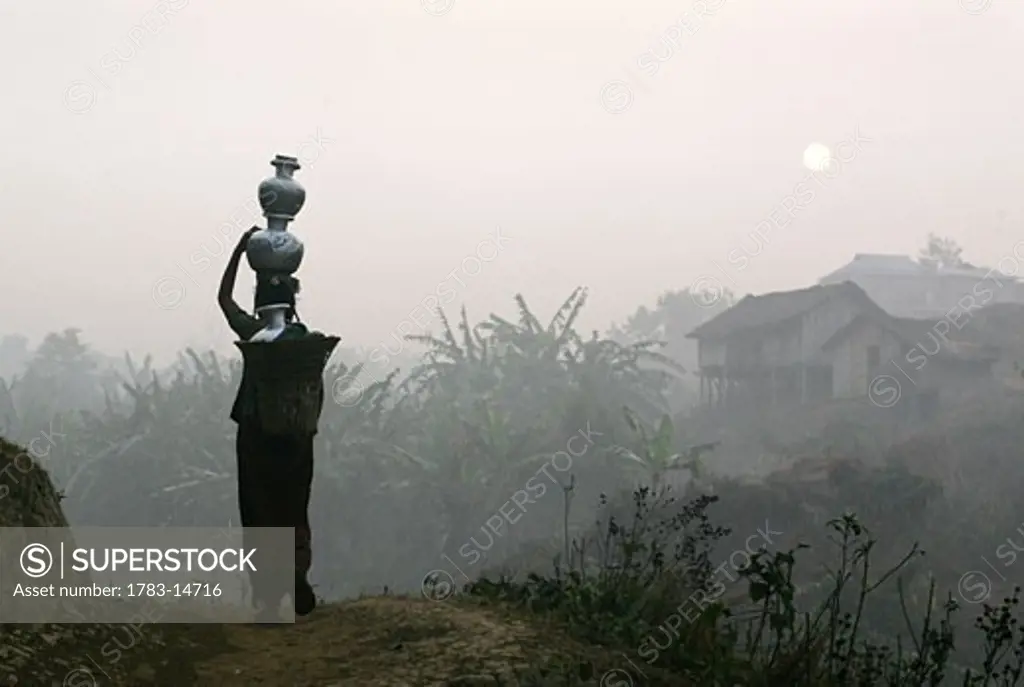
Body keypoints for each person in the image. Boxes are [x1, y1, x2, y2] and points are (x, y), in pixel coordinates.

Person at [218, 226, 321, 618]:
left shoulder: (254, 333)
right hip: (298, 437)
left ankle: (267, 597)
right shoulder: (307, 341)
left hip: (256, 435)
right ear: (291, 304)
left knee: (260, 511)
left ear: (260, 304)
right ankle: (295, 572)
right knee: (295, 508)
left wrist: (240, 250)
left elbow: (224, 299)